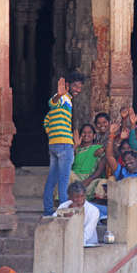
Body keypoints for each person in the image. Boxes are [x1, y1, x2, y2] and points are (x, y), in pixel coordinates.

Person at [43, 71, 84, 216]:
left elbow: (46, 121)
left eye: (80, 87)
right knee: (63, 180)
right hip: (64, 145)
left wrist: (53, 135)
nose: (78, 90)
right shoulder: (64, 98)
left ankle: (48, 211)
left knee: (51, 180)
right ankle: (63, 212)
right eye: (75, 86)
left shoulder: (65, 102)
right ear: (67, 85)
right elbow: (52, 102)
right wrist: (59, 94)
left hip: (53, 144)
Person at [106, 122, 137, 214]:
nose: (127, 162)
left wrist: (117, 193)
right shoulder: (122, 171)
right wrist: (111, 135)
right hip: (116, 207)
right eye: (125, 161)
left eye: (130, 159)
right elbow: (109, 156)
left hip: (132, 211)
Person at [53, 182, 100, 246]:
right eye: (76, 197)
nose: (80, 199)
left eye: (82, 196)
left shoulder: (94, 211)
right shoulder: (64, 206)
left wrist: (74, 243)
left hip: (87, 244)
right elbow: (53, 220)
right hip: (66, 242)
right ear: (70, 197)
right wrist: (64, 215)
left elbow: (88, 233)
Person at [70, 124, 106, 200]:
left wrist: (88, 180)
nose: (86, 134)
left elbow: (100, 170)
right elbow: (66, 164)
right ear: (80, 135)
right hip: (75, 179)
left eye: (89, 132)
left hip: (90, 180)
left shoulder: (99, 149)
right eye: (83, 132)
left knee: (103, 182)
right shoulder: (75, 149)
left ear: (94, 136)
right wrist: (75, 146)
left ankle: (95, 204)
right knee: (67, 174)